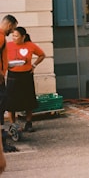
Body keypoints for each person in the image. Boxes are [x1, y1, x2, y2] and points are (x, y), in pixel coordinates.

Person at [6, 27, 46, 133]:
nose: (14, 38)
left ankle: (28, 123)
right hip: (12, 75)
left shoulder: (30, 45)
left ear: (23, 37)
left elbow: (42, 55)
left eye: (16, 36)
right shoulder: (8, 45)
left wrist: (34, 65)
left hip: (26, 75)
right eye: (13, 35)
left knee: (28, 99)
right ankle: (12, 124)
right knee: (11, 101)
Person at [0, 14, 17, 154]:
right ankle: (2, 143)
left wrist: (6, 66)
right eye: (13, 29)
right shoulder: (0, 37)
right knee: (1, 107)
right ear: (9, 25)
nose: (12, 32)